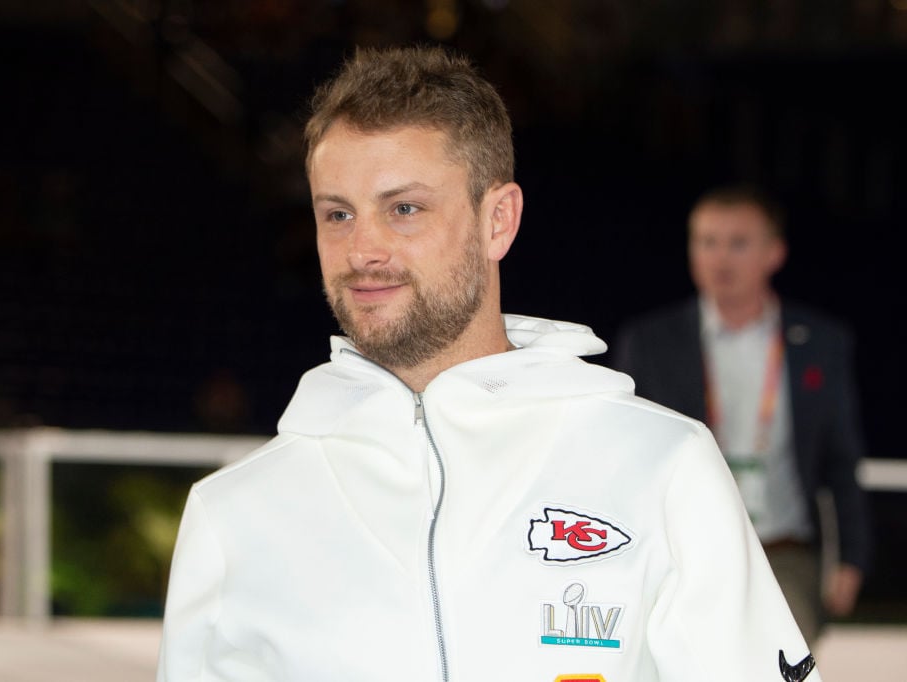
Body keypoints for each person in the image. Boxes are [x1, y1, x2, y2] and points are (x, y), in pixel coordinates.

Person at [157, 47, 817, 681]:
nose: (362, 249)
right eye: (338, 213)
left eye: (404, 209)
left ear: (497, 220)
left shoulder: (661, 467)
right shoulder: (235, 514)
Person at [612, 185, 871, 646]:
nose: (720, 258)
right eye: (707, 241)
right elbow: (624, 454)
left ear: (774, 253)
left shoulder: (820, 343)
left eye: (738, 243)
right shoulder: (649, 341)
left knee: (777, 651)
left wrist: (852, 558)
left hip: (782, 552)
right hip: (682, 549)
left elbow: (840, 457)